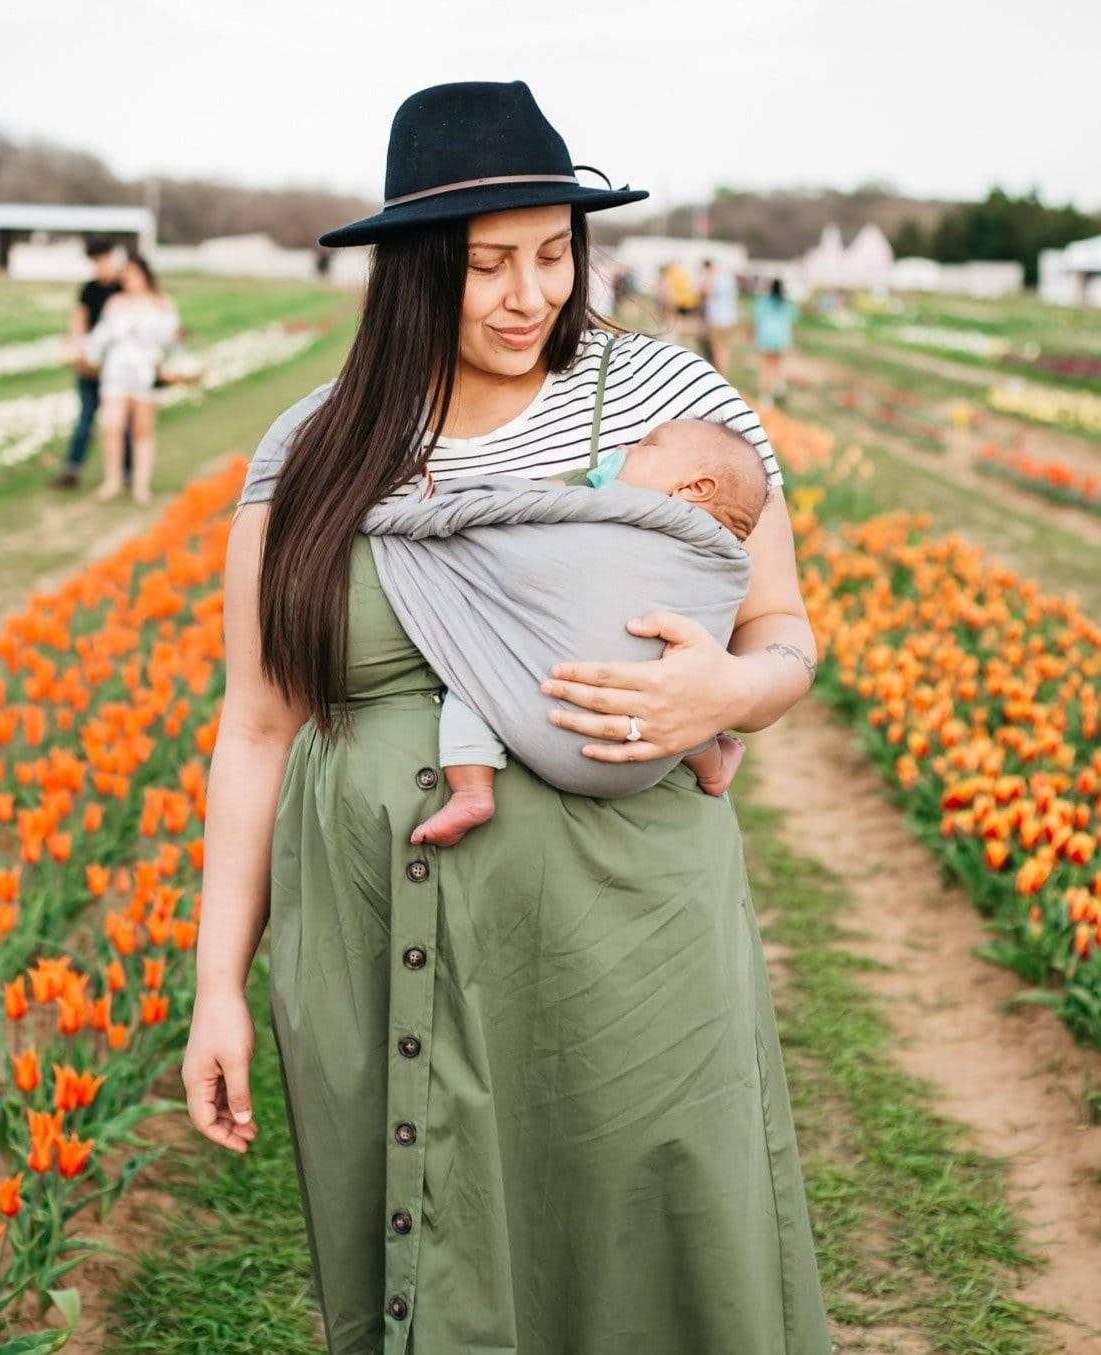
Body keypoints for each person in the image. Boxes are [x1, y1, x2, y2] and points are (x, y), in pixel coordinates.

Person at [183, 80, 830, 1353]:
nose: (529, 294)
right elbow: (256, 725)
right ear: (412, 271)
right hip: (372, 925)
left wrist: (730, 692)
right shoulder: (310, 450)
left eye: (552, 253)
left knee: (651, 1241)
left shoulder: (660, 402)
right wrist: (218, 985)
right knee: (430, 1250)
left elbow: (783, 634)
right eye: (486, 265)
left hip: (623, 932)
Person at [401, 417, 766, 848]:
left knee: (476, 666)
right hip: (654, 750)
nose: (627, 448)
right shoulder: (721, 559)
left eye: (647, 445)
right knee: (680, 688)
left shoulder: (619, 504)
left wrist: (443, 500)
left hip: (562, 702)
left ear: (694, 489)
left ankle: (472, 789)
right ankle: (710, 761)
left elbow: (544, 505)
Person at [80, 250, 179, 504]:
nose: (128, 279)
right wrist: (85, 353)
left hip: (146, 373)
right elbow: (100, 338)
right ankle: (112, 481)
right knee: (112, 425)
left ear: (144, 274)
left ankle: (140, 485)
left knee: (142, 430)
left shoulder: (162, 303)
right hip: (116, 371)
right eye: (124, 275)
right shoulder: (115, 303)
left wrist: (174, 366)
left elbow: (171, 343)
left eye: (132, 273)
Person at [52, 237, 133, 490]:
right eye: (95, 262)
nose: (99, 266)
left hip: (119, 365)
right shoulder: (89, 289)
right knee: (86, 416)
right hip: (92, 364)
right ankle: (72, 469)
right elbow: (79, 320)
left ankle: (128, 472)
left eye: (103, 260)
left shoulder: (126, 287)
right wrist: (77, 348)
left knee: (123, 420)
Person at [753, 276, 799, 404]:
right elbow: (793, 321)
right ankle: (779, 387)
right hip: (782, 338)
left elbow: (757, 319)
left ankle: (765, 396)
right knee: (778, 366)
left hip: (766, 338)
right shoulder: (787, 304)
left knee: (765, 367)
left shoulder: (762, 302)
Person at [701, 257, 741, 373]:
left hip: (717, 320)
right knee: (725, 348)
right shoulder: (728, 278)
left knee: (717, 349)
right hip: (730, 319)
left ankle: (721, 374)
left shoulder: (713, 278)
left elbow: (705, 293)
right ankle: (724, 373)